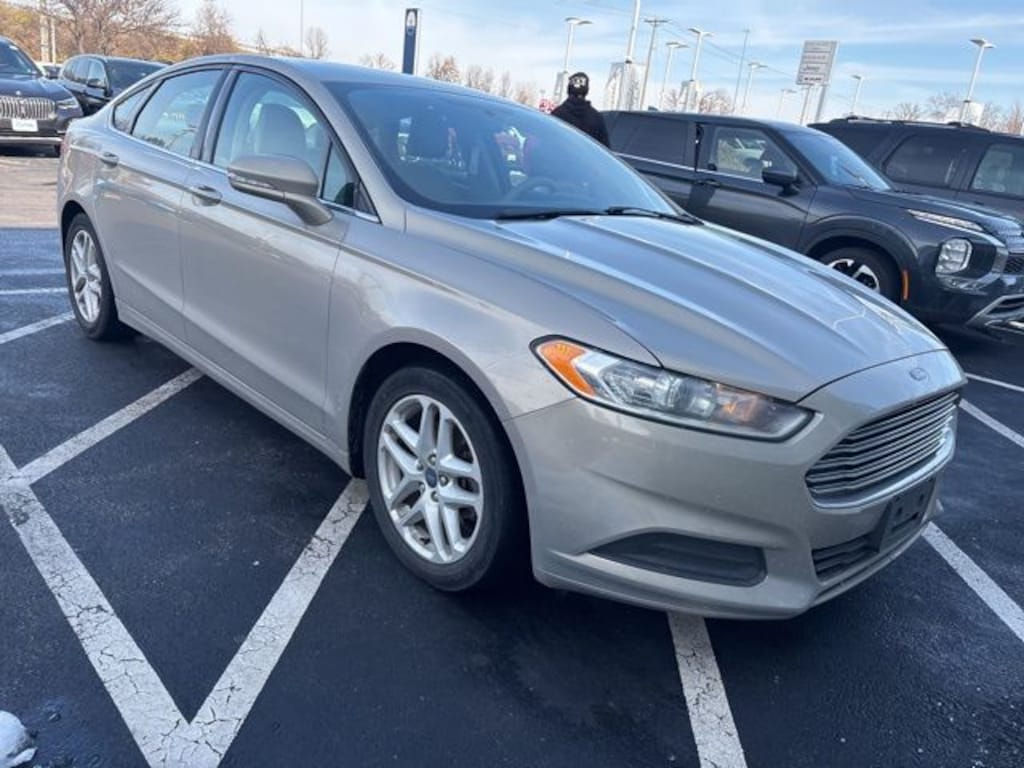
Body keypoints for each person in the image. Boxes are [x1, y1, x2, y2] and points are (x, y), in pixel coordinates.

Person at [551, 72, 610, 147]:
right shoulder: (597, 118)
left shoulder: (556, 115)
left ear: (568, 90)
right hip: (587, 158)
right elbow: (605, 151)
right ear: (587, 91)